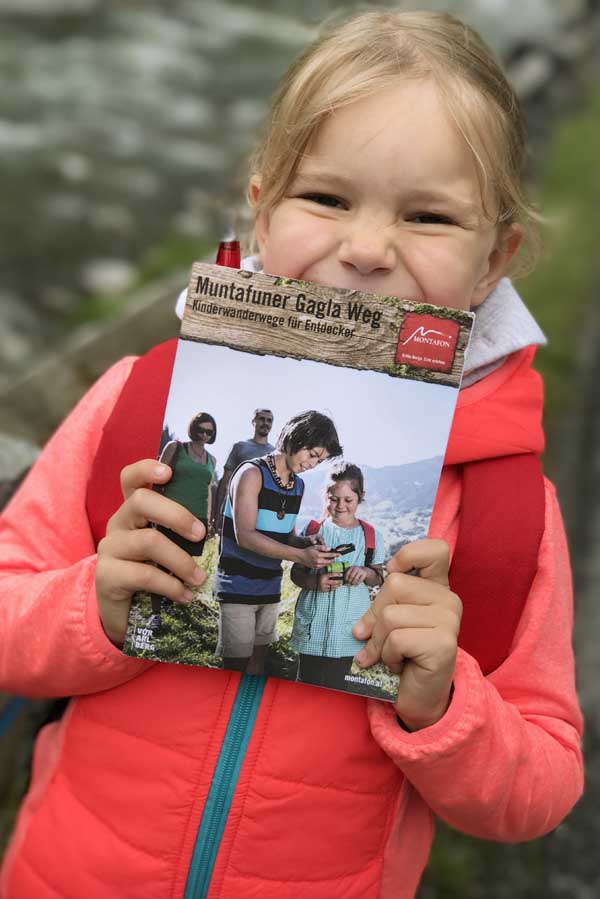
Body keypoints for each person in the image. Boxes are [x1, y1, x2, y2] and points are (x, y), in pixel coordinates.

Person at [0, 10, 583, 899]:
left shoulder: (509, 501)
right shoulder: (139, 397)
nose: (365, 250)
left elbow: (539, 786)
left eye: (428, 216)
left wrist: (446, 704)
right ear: (262, 207)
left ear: (494, 258)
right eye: (326, 199)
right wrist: (95, 604)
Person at [214, 410, 342, 675]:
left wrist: (305, 542)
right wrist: (301, 556)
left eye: (320, 460)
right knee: (235, 665)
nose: (313, 464)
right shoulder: (251, 473)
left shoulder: (297, 486)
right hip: (238, 584)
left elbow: (285, 536)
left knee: (259, 659)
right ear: (296, 437)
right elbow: (245, 536)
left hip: (270, 586)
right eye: (313, 454)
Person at [290, 462, 385, 690]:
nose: (340, 506)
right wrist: (314, 582)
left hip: (346, 631)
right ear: (326, 496)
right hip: (313, 627)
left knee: (336, 684)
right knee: (306, 681)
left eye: (348, 500)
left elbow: (378, 577)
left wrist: (365, 572)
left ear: (360, 498)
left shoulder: (371, 536)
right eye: (334, 499)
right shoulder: (313, 530)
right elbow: (296, 573)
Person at [148, 411, 218, 625]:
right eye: (201, 430)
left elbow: (208, 491)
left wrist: (208, 520)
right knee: (162, 562)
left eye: (209, 432)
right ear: (193, 428)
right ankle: (155, 613)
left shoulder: (212, 460)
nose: (204, 435)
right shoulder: (176, 448)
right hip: (170, 514)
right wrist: (154, 511)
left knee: (183, 564)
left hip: (196, 520)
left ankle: (169, 604)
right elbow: (157, 478)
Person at [213, 408, 275, 533]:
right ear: (254, 422)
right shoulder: (239, 447)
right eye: (261, 419)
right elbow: (225, 482)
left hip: (262, 515)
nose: (265, 423)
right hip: (234, 510)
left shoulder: (274, 453)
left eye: (269, 420)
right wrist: (218, 513)